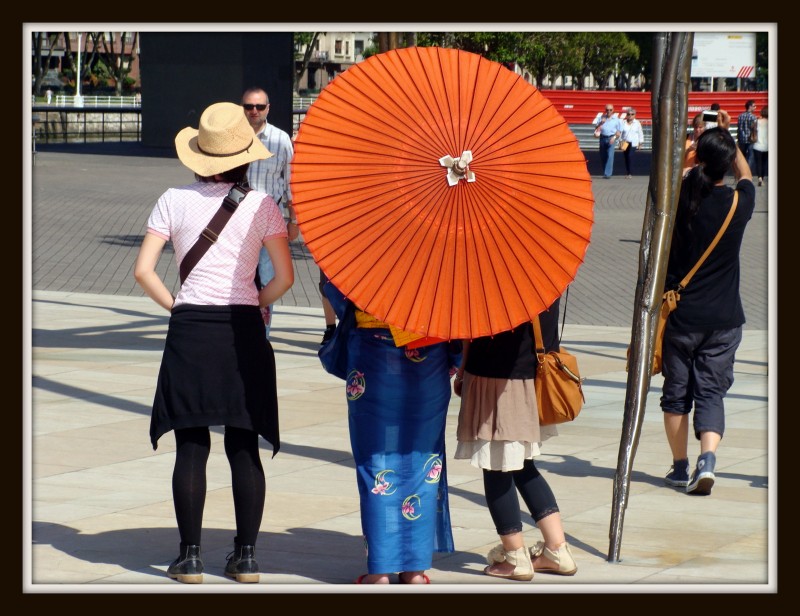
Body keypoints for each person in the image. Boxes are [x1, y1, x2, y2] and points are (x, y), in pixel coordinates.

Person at [133, 102, 294, 583]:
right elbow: (284, 277)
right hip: (243, 328)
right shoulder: (262, 206)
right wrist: (256, 301)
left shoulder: (171, 199)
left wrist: (177, 305)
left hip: (191, 329)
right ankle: (246, 558)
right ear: (246, 155)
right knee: (243, 445)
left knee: (191, 444)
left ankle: (190, 557)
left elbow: (143, 270)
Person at [323, 282, 460, 584]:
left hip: (374, 356)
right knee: (424, 463)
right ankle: (415, 570)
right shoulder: (444, 247)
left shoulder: (362, 244)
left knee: (377, 463)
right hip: (429, 355)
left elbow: (333, 289)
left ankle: (381, 570)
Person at [453, 298, 577, 581]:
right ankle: (557, 549)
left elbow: (472, 327)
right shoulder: (546, 270)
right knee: (523, 465)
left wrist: (462, 370)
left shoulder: (493, 275)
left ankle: (514, 557)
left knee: (496, 467)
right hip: (531, 377)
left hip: (494, 377)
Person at [660, 126, 755, 496]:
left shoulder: (681, 196)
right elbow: (746, 176)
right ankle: (708, 459)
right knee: (711, 392)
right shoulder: (738, 202)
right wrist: (731, 147)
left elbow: (665, 183)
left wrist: (688, 158)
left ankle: (680, 466)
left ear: (698, 159)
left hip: (682, 317)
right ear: (727, 162)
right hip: (725, 319)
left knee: (677, 394)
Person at [241, 87, 298, 337]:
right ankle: (238, 331)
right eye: (249, 106)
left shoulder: (280, 139)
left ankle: (261, 334)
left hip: (269, 221)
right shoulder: (232, 138)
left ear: (268, 108)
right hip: (235, 220)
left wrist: (294, 220)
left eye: (259, 107)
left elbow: (290, 183)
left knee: (266, 279)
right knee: (238, 278)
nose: (254, 111)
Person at [594, 104, 623, 179]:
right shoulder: (602, 118)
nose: (609, 111)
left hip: (611, 138)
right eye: (607, 110)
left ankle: (607, 174)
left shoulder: (617, 120)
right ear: (605, 110)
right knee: (603, 156)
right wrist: (601, 123)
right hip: (602, 138)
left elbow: (619, 131)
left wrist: (614, 138)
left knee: (610, 156)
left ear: (613, 110)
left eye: (610, 110)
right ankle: (605, 171)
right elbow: (596, 128)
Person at [619, 107, 644, 179]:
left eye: (632, 114)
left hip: (633, 143)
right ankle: (627, 172)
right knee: (626, 157)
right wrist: (620, 141)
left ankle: (630, 173)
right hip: (625, 142)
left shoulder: (637, 123)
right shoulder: (623, 122)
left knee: (630, 156)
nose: (630, 115)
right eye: (628, 114)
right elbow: (620, 133)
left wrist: (640, 143)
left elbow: (640, 133)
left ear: (635, 115)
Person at [736, 99, 758, 173]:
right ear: (750, 106)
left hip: (742, 139)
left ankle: (741, 170)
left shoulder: (740, 116)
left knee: (742, 156)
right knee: (750, 155)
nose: (755, 107)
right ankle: (747, 171)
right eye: (754, 106)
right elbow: (755, 128)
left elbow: (738, 128)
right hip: (750, 139)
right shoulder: (753, 117)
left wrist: (738, 138)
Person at [752, 106, 768, 187]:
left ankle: (759, 178)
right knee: (764, 163)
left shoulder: (757, 121)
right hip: (767, 146)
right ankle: (763, 178)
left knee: (758, 163)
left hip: (757, 145)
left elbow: (753, 130)